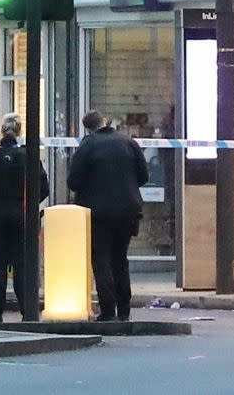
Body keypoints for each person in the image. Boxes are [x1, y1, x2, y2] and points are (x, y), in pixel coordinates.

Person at [67, 110, 148, 322]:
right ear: (105, 122)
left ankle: (107, 311)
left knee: (101, 260)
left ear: (89, 128)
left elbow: (73, 181)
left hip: (98, 213)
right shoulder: (128, 142)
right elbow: (143, 176)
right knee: (120, 260)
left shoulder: (87, 146)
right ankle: (124, 311)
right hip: (127, 211)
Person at [0, 113, 49, 323]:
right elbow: (42, 188)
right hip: (21, 214)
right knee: (23, 264)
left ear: (1, 131)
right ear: (19, 132)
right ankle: (27, 312)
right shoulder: (28, 157)